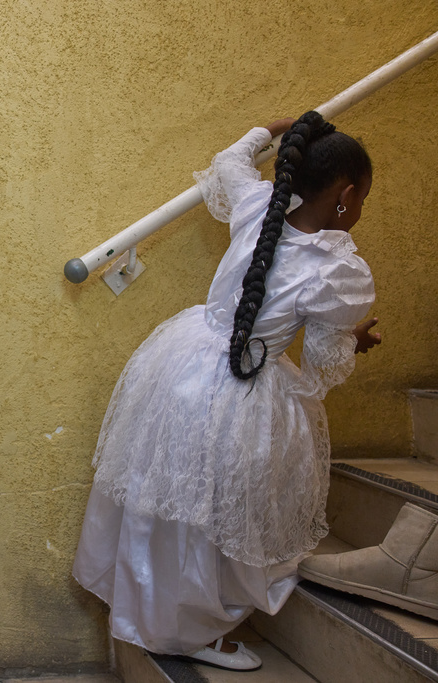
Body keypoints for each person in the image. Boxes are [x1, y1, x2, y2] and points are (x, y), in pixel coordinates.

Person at [72, 111, 381, 671]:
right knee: (213, 512)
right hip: (242, 387)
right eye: (363, 199)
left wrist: (277, 125)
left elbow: (230, 161)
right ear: (346, 194)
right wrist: (354, 341)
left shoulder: (260, 206)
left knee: (168, 499)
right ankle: (187, 629)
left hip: (182, 366)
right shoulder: (338, 271)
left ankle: (144, 602)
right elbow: (322, 363)